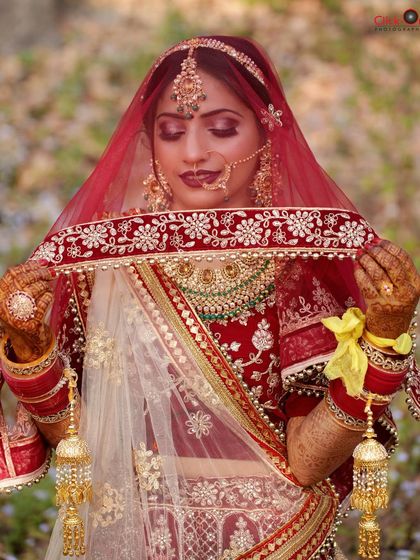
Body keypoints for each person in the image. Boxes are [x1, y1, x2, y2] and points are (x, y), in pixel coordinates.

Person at [0, 36, 419, 560]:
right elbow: (82, 442)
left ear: (267, 132)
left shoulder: (293, 265)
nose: (194, 152)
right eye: (171, 132)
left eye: (221, 128)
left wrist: (381, 338)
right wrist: (32, 352)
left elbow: (308, 463)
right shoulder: (109, 266)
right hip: (135, 541)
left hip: (277, 542)